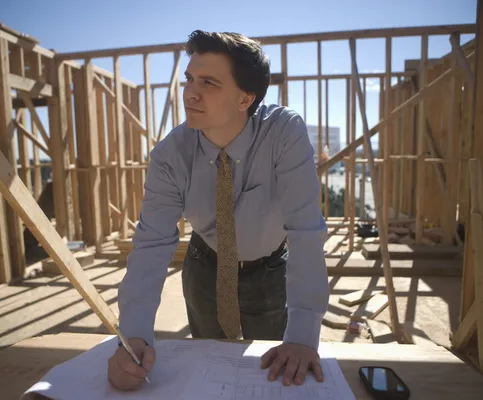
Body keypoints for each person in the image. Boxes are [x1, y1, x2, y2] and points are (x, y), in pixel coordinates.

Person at [108, 30, 329, 391]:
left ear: (245, 98)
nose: (190, 93)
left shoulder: (284, 133)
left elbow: (305, 230)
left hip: (269, 269)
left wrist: (304, 336)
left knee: (275, 373)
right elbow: (151, 246)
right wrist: (131, 339)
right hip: (204, 264)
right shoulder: (170, 155)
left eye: (209, 82)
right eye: (189, 79)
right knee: (210, 369)